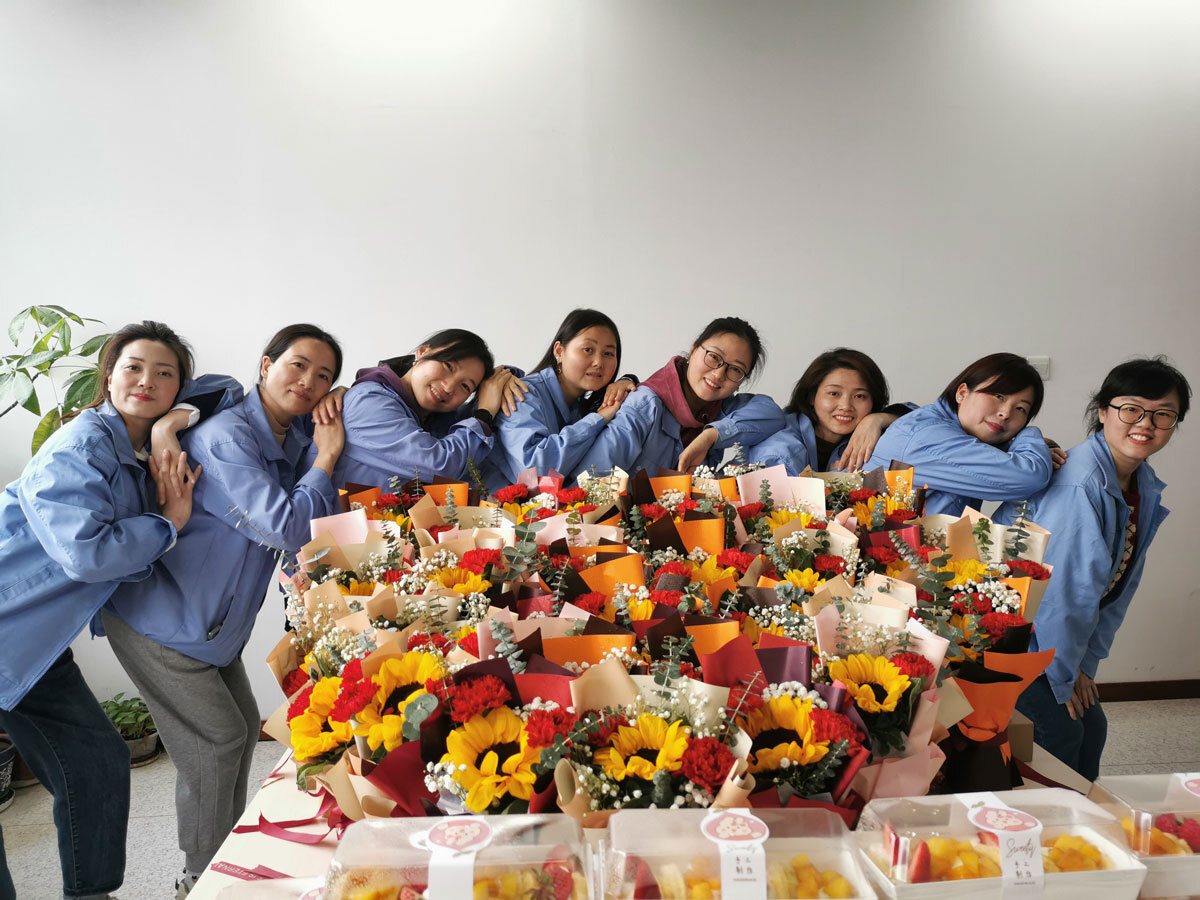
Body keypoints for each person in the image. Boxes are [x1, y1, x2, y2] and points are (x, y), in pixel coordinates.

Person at [101, 324, 345, 897]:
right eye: (298, 365)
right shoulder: (226, 436)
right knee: (217, 744)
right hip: (163, 619)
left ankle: (219, 863)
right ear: (266, 365)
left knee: (236, 735)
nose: (308, 382)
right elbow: (286, 526)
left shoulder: (289, 435)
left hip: (211, 624)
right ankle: (201, 880)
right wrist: (328, 457)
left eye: (324, 376)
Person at [0, 321, 226, 900]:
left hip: (31, 643)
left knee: (97, 760)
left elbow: (227, 388)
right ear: (108, 376)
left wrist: (169, 426)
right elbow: (86, 553)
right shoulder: (80, 447)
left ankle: (90, 894)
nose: (146, 381)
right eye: (133, 368)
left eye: (164, 373)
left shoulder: (136, 442)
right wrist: (167, 524)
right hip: (8, 627)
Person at [998, 357, 1190, 781]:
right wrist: (1064, 677)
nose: (1146, 424)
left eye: (1163, 414)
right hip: (1007, 636)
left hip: (1047, 635)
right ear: (1102, 411)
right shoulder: (1081, 483)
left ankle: (1082, 815)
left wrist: (1085, 665)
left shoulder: (1142, 482)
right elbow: (1064, 594)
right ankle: (1045, 818)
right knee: (1061, 732)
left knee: (1092, 727)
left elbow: (1118, 587)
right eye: (1131, 409)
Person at [573, 316, 784, 478]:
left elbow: (772, 414)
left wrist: (709, 437)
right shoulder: (645, 405)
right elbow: (591, 479)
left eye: (735, 369)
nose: (719, 374)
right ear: (693, 349)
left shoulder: (720, 409)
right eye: (713, 357)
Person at [864, 352, 1059, 516]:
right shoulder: (929, 437)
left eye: (1021, 409)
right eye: (998, 396)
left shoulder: (944, 428)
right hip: (887, 549)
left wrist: (1035, 448)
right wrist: (1031, 435)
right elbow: (1029, 478)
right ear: (962, 393)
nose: (1006, 413)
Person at [329, 329, 526, 489]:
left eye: (465, 386)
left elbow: (468, 420)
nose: (449, 387)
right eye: (448, 366)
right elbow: (440, 466)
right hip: (335, 526)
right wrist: (484, 414)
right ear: (422, 352)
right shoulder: (370, 401)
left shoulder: (428, 415)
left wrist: (504, 379)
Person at [485, 308, 638, 488]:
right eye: (588, 349)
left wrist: (628, 380)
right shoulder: (521, 393)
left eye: (608, 354)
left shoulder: (580, 407)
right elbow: (534, 471)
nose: (598, 362)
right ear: (559, 351)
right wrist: (598, 419)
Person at [745, 347, 913, 474]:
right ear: (811, 396)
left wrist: (879, 419)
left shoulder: (867, 432)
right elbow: (784, 507)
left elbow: (924, 421)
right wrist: (834, 482)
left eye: (860, 396)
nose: (846, 406)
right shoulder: (781, 453)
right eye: (834, 393)